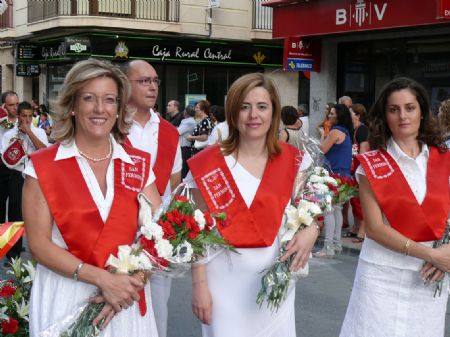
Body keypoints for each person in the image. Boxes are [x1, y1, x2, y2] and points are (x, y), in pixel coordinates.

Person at [24, 59, 161, 337]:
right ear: (72, 105)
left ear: (119, 108)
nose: (100, 109)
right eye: (89, 98)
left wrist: (134, 279)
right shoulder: (42, 166)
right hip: (66, 293)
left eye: (109, 100)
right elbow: (38, 245)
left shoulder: (138, 165)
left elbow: (160, 234)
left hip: (125, 299)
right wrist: (103, 280)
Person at [187, 73, 319, 337]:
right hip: (222, 283)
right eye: (244, 107)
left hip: (275, 280)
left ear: (273, 111)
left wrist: (311, 231)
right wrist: (199, 284)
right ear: (233, 113)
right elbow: (196, 232)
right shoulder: (208, 163)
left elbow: (309, 211)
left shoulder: (296, 161)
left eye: (262, 107)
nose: (253, 115)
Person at [340, 77, 449, 337]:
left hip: (430, 275)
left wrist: (445, 252)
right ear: (384, 116)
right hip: (381, 275)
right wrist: (432, 255)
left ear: (422, 111)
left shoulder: (444, 158)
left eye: (410, 108)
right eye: (394, 109)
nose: (403, 116)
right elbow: (375, 228)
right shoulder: (371, 164)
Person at [123, 59, 182, 337]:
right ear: (125, 85)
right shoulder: (111, 127)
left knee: (159, 308)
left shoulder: (170, 132)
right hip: (118, 230)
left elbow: (174, 184)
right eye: (143, 81)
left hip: (157, 235)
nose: (152, 86)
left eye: (155, 80)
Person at [314, 104, 353, 258]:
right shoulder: (346, 132)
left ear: (338, 116)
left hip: (333, 175)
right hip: (344, 176)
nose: (329, 116)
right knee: (336, 210)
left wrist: (323, 134)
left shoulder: (335, 132)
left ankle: (328, 246)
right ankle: (336, 243)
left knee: (328, 210)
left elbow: (321, 150)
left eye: (331, 114)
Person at [346, 103, 369, 242]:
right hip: (351, 166)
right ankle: (356, 227)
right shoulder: (352, 129)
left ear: (358, 115)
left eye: (351, 113)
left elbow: (363, 149)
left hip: (358, 167)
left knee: (359, 200)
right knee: (353, 200)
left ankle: (362, 230)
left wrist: (359, 169)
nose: (349, 115)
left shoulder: (362, 130)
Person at [0, 91, 18, 246]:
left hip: (18, 171)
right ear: (4, 106)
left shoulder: (23, 120)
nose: (15, 108)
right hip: (2, 168)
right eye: (11, 105)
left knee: (16, 210)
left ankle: (13, 245)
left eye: (17, 104)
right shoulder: (2, 121)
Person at [178, 105, 197, 178]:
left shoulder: (189, 122)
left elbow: (178, 132)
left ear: (185, 112)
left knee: (184, 169)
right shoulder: (188, 121)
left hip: (185, 148)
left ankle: (183, 186)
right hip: (185, 147)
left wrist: (177, 128)